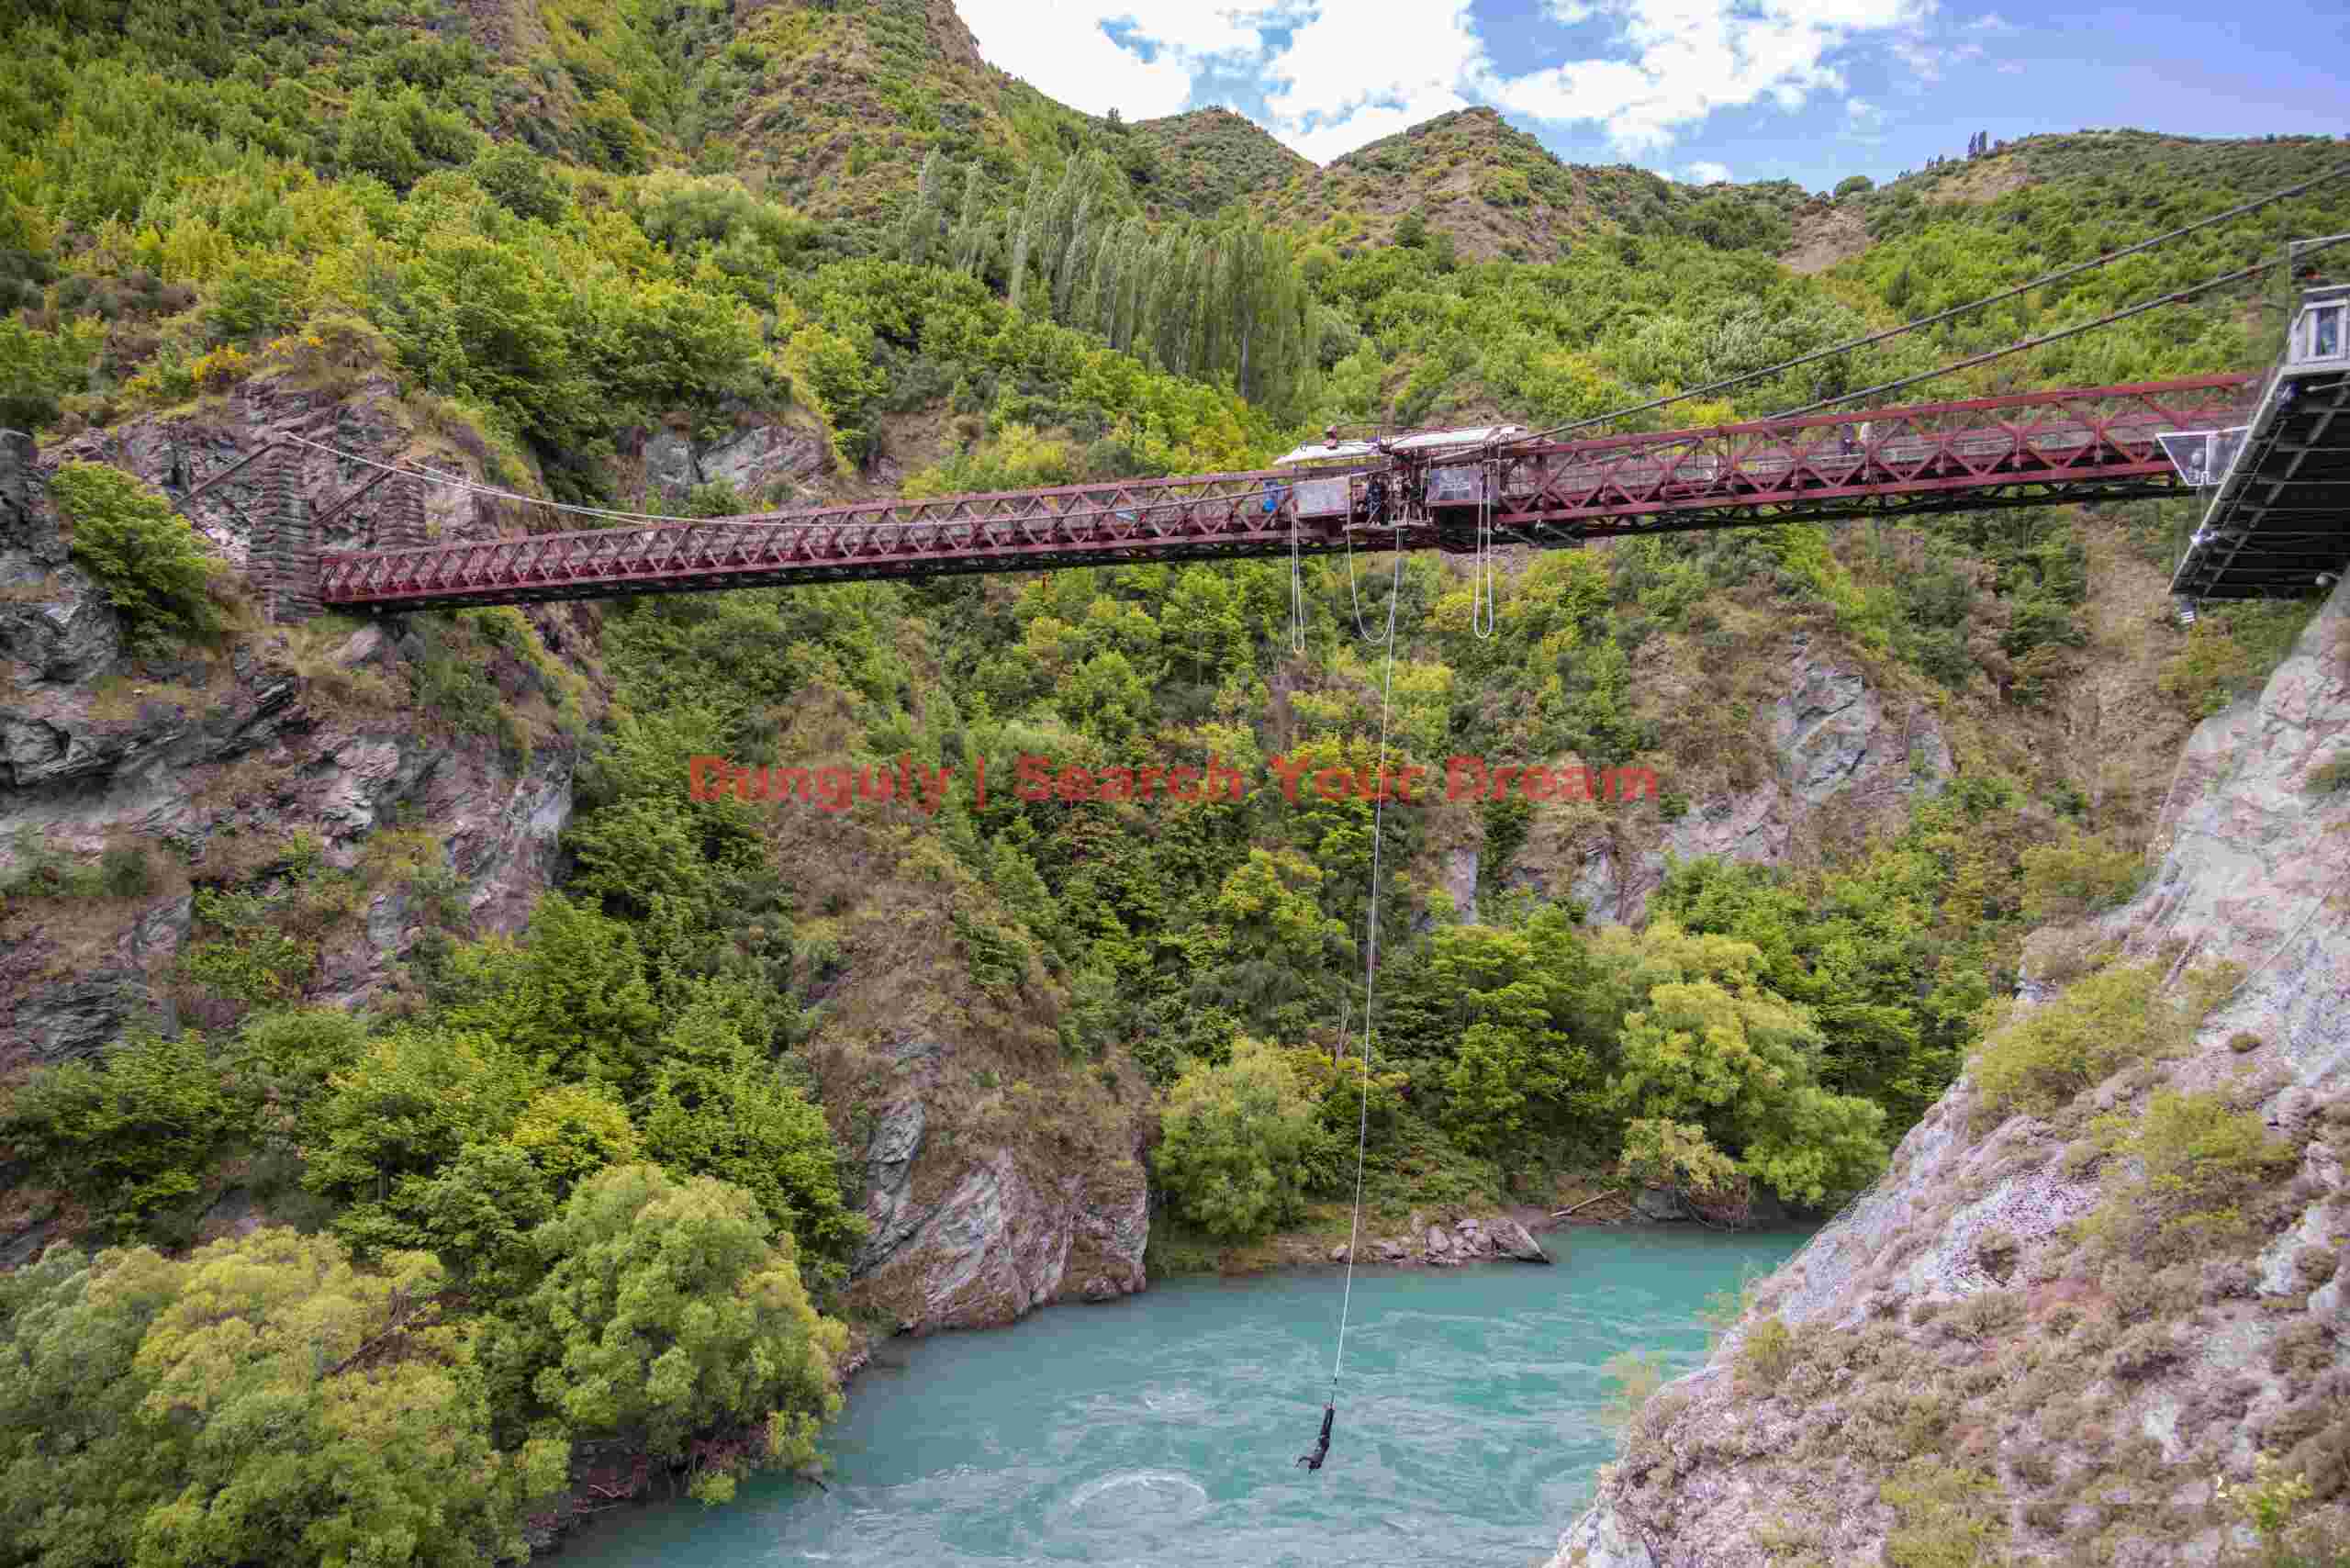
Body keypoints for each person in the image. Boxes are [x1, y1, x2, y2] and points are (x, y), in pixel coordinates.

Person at [1296, 1404, 1335, 1471]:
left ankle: (1331, 1413)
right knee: (1325, 1425)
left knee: (1328, 1427)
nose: (1310, 1463)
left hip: (1326, 1445)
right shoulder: (1315, 1460)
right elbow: (1307, 1458)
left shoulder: (1318, 1462)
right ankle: (1328, 1411)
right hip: (1323, 1443)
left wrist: (1310, 1468)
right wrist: (1301, 1459)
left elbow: (1314, 1463)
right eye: (1311, 1464)